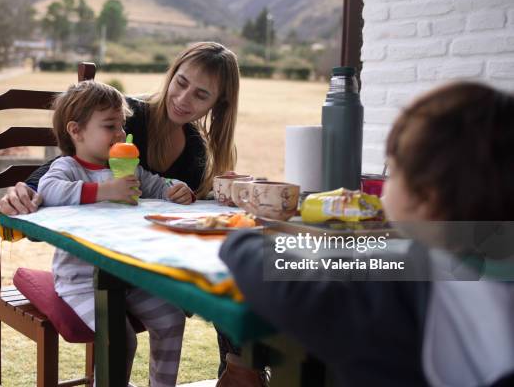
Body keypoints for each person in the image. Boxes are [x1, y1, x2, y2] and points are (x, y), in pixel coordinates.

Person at [220, 82, 514, 387]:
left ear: (425, 198)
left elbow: (290, 285)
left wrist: (241, 239)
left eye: (394, 169)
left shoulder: (397, 288)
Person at [0, 42, 260, 383]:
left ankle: (240, 368)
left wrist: (182, 190)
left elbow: (161, 187)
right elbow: (65, 169)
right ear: (171, 75)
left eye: (200, 95)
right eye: (180, 83)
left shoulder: (195, 147)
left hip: (147, 263)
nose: (183, 99)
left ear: (217, 103)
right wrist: (25, 190)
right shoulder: (126, 115)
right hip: (93, 270)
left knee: (238, 264)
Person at [39, 80, 194, 386]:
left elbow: (154, 184)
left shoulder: (126, 168)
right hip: (80, 281)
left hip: (127, 276)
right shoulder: (68, 167)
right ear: (76, 131)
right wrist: (103, 190)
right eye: (110, 126)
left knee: (171, 316)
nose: (121, 134)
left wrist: (173, 189)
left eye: (122, 125)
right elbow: (49, 190)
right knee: (121, 339)